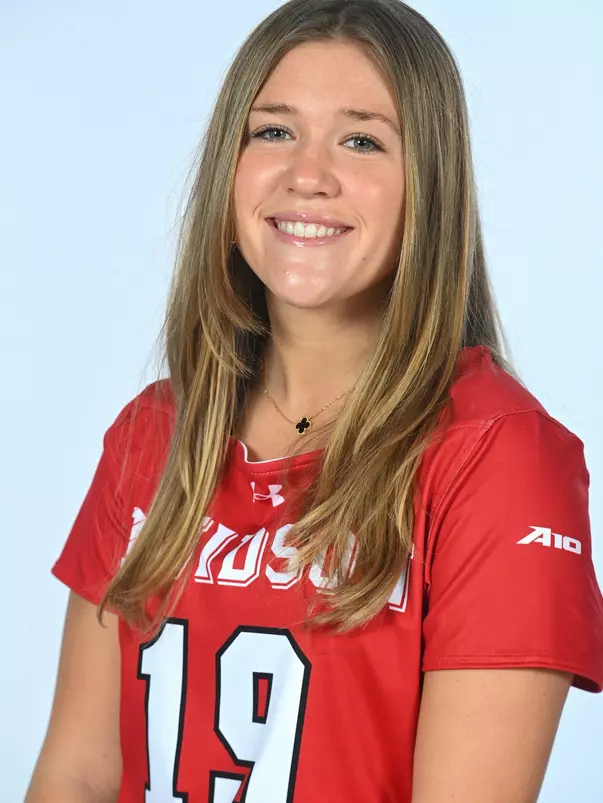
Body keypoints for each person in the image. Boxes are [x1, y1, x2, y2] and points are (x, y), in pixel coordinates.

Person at [25, 1, 603, 801]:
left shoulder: (498, 454)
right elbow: (79, 773)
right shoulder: (149, 437)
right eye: (272, 130)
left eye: (361, 138)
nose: (307, 172)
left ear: (427, 189)